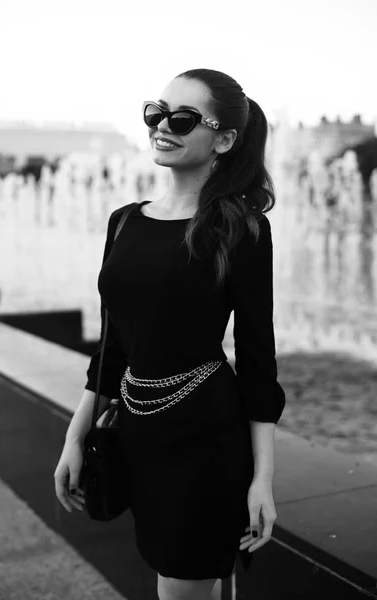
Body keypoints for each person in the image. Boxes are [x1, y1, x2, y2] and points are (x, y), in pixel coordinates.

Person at [54, 68, 286, 600]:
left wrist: (263, 481)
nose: (162, 126)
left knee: (179, 589)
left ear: (224, 139)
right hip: (138, 434)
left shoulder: (241, 228)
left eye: (182, 118)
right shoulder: (123, 222)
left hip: (206, 440)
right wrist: (75, 436)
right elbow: (112, 347)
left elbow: (257, 360)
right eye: (156, 112)